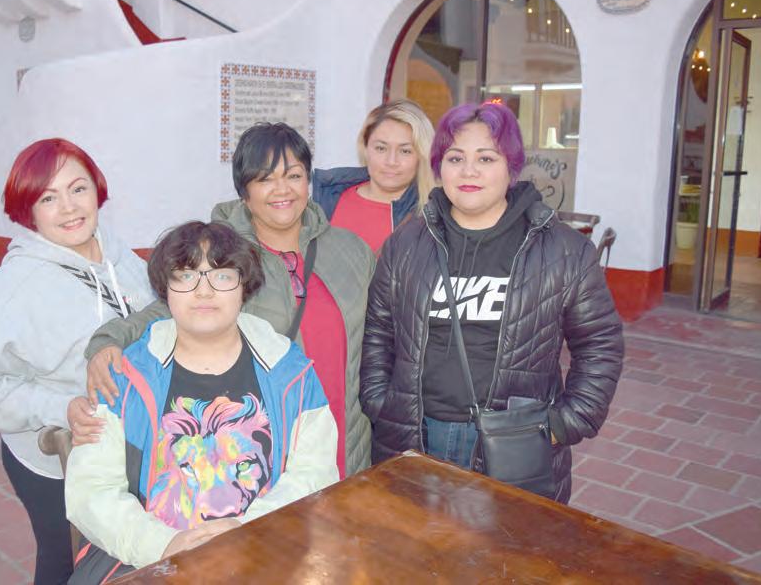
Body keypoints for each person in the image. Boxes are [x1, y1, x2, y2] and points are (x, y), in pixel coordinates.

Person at [72, 123, 376, 479]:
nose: (282, 189)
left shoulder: (351, 250)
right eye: (265, 179)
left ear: (309, 181)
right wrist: (109, 340)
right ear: (244, 191)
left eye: (293, 175)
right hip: (262, 445)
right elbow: (168, 307)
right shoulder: (223, 255)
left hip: (347, 443)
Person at [359, 101, 623, 503]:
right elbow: (378, 331)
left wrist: (563, 424)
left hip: (514, 444)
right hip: (413, 435)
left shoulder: (564, 251)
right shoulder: (406, 244)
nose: (469, 171)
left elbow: (600, 345)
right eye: (455, 158)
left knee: (505, 543)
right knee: (411, 540)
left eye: (486, 158)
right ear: (439, 167)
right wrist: (381, 402)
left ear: (511, 167)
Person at [64, 221, 338, 580]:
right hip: (150, 560)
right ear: (165, 288)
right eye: (186, 275)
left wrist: (250, 529)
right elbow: (92, 492)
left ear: (244, 287)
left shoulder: (291, 372)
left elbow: (315, 473)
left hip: (267, 551)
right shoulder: (122, 378)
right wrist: (163, 544)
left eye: (222, 276)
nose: (204, 291)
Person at [0, 138, 153, 584]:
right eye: (48, 198)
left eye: (78, 189)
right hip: (55, 458)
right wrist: (60, 408)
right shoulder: (12, 287)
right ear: (28, 210)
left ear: (97, 190)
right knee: (69, 560)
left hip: (127, 443)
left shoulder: (123, 259)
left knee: (126, 552)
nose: (69, 208)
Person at [312, 99, 435, 253]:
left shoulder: (435, 215)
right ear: (365, 148)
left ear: (422, 156)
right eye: (381, 148)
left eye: (405, 151)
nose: (391, 161)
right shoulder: (324, 196)